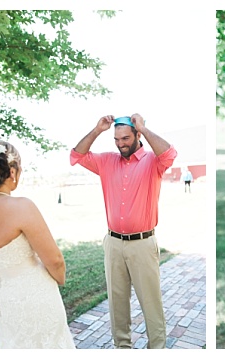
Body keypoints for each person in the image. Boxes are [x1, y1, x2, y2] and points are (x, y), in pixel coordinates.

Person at [70, 113, 177, 349]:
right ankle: (122, 349)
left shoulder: (153, 161)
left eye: (126, 138)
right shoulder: (107, 161)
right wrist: (98, 130)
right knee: (117, 303)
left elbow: (170, 154)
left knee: (151, 303)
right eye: (117, 139)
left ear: (138, 134)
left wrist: (145, 129)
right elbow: (77, 155)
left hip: (143, 244)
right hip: (113, 243)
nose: (121, 144)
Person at [0, 140, 76, 349]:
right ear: (12, 171)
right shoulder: (21, 206)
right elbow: (55, 261)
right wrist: (59, 278)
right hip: (33, 296)